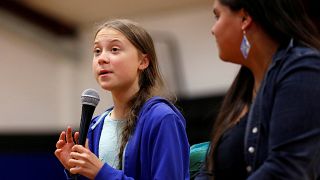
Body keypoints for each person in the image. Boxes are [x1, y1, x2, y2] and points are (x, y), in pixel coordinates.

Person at [196, 0, 320, 179]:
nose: (213, 29)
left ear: (245, 18)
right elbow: (209, 170)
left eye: (218, 16)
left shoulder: (303, 69)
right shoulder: (244, 82)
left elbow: (286, 169)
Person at [54, 19, 190, 180]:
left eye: (114, 49)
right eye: (97, 51)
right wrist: (75, 169)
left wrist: (101, 172)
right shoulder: (96, 125)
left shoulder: (162, 118)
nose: (102, 58)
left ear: (143, 61)